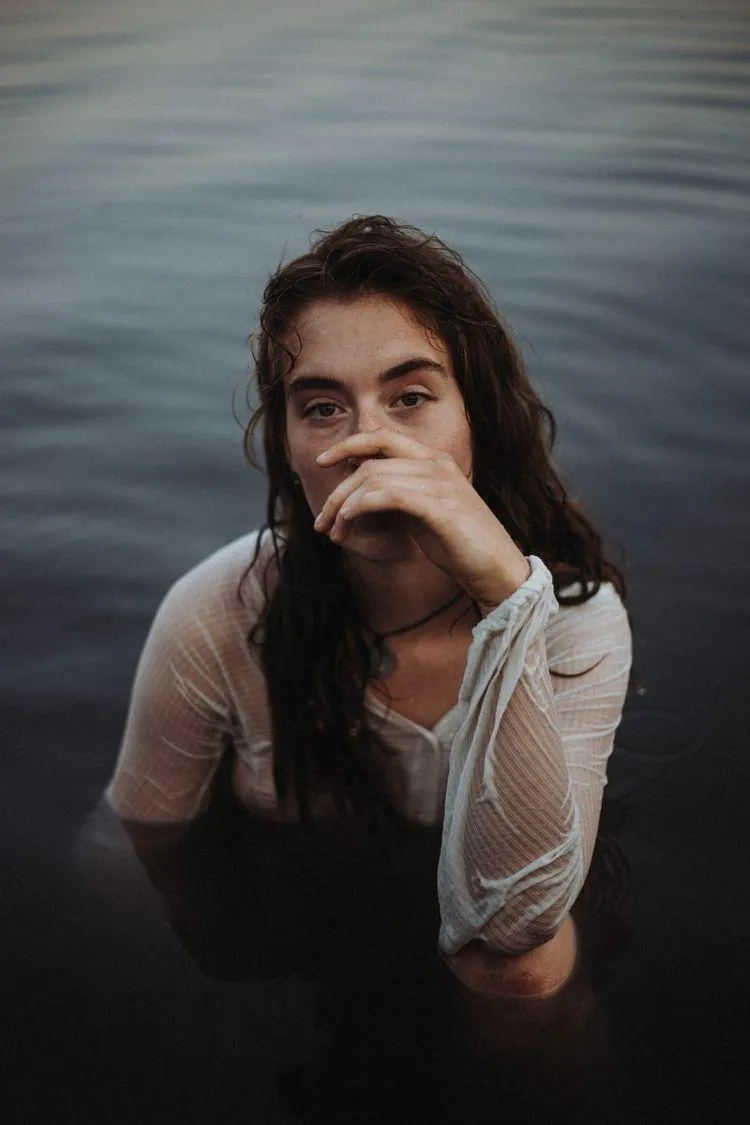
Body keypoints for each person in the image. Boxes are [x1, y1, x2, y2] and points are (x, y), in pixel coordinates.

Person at [105, 214, 634, 999]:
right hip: (297, 932)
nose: (368, 444)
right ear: (287, 445)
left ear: (478, 417)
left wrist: (508, 601)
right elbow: (141, 837)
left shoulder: (577, 617)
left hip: (492, 971)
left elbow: (512, 922)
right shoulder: (220, 610)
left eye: (410, 396)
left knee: (524, 964)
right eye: (322, 408)